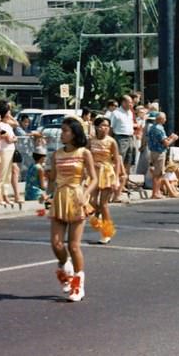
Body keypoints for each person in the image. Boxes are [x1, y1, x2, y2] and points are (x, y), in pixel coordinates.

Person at [47, 117, 96, 302]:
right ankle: (64, 266)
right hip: (60, 197)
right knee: (56, 244)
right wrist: (47, 192)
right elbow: (52, 178)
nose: (62, 133)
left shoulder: (84, 153)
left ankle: (78, 286)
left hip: (76, 198)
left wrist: (86, 193)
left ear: (74, 133)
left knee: (73, 246)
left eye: (65, 130)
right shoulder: (56, 154)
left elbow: (94, 178)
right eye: (62, 130)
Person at [89, 116, 122, 244]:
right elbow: (86, 155)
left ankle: (107, 233)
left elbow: (117, 160)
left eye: (107, 126)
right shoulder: (91, 141)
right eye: (102, 125)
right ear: (96, 127)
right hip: (94, 173)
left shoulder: (111, 141)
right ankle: (98, 214)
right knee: (91, 201)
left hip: (107, 172)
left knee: (103, 204)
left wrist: (117, 178)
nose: (105, 128)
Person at [109, 95, 136, 184]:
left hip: (130, 137)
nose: (132, 104)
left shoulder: (130, 113)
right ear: (123, 102)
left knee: (129, 160)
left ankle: (125, 182)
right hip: (120, 138)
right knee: (120, 160)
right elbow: (111, 128)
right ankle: (118, 181)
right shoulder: (116, 113)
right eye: (130, 102)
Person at [0, 100, 18, 206]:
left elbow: (16, 124)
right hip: (4, 151)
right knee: (2, 174)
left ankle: (5, 194)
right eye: (9, 111)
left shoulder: (7, 124)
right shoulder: (0, 125)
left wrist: (11, 116)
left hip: (10, 150)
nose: (10, 114)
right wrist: (14, 139)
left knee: (8, 175)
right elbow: (9, 139)